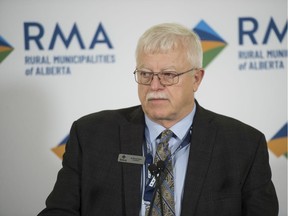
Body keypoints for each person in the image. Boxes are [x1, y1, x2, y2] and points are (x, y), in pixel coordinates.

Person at [38, 23, 278, 216]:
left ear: (196, 78)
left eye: (168, 75)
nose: (154, 86)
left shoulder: (244, 144)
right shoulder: (90, 135)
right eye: (145, 74)